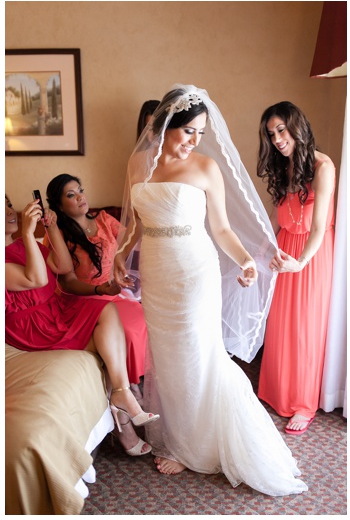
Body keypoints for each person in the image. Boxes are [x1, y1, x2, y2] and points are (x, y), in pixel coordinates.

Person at [113, 84, 306, 496]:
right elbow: (136, 222)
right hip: (157, 273)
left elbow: (220, 228)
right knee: (168, 358)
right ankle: (182, 440)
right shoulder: (137, 166)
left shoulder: (205, 169)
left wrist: (246, 261)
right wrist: (120, 253)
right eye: (188, 132)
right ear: (165, 127)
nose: (194, 142)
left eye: (200, 133)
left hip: (194, 272)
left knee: (200, 354)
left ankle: (200, 445)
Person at [5, 195, 159, 457]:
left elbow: (63, 266)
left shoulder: (21, 244)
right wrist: (30, 234)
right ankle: (123, 420)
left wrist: (51, 227)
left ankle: (121, 394)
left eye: (8, 204)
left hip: (56, 311)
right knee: (105, 344)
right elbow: (37, 278)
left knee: (107, 311)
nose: (10, 211)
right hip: (33, 326)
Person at [255, 102, 335, 435]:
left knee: (305, 328)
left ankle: (304, 403)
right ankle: (278, 392)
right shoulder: (283, 166)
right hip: (285, 248)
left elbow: (318, 228)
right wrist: (264, 252)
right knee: (282, 325)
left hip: (310, 256)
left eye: (281, 131)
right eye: (271, 134)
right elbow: (281, 217)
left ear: (296, 127)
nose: (277, 139)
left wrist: (300, 262)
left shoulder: (323, 166)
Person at [45, 174, 147, 403]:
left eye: (80, 190)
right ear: (59, 206)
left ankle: (131, 380)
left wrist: (140, 216)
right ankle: (127, 387)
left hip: (113, 292)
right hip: (82, 297)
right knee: (126, 329)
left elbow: (129, 241)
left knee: (139, 320)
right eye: (71, 195)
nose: (81, 197)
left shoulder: (104, 220)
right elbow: (67, 282)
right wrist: (99, 290)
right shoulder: (57, 235)